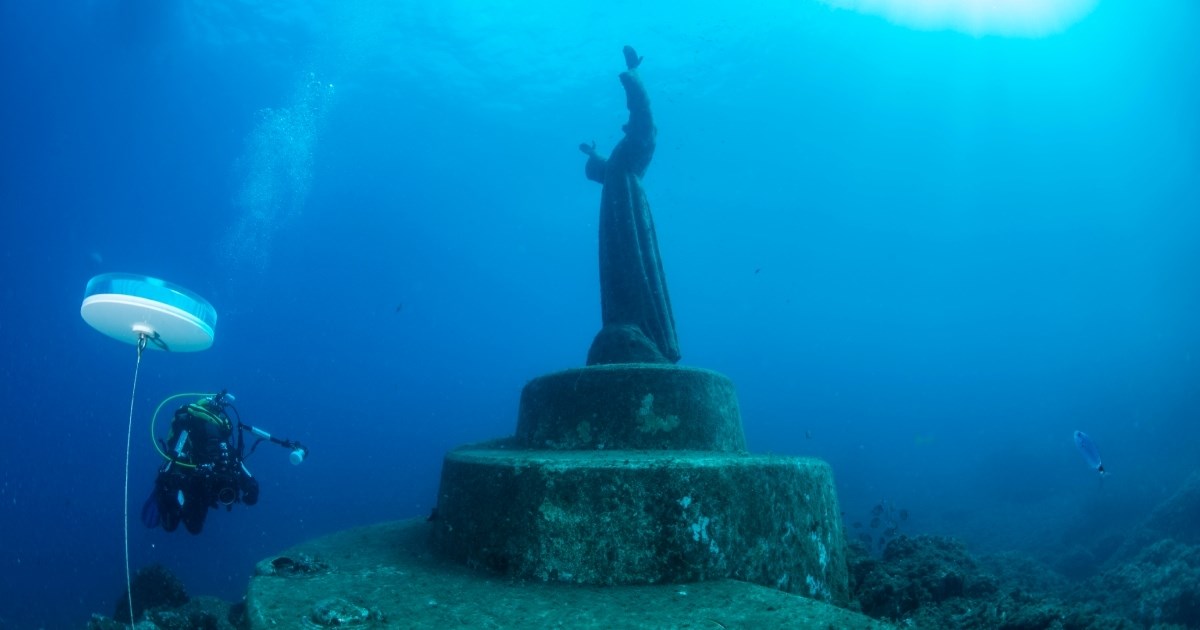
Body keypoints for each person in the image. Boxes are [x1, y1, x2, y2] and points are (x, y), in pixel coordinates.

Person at [579, 45, 681, 365]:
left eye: (629, 128)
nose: (626, 130)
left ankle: (646, 334)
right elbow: (603, 171)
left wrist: (633, 75)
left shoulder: (633, 157)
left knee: (634, 268)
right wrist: (593, 156)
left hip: (629, 217)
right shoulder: (619, 166)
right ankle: (626, 327)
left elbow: (644, 119)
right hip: (616, 218)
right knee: (619, 269)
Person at [147, 391, 259, 534]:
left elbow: (236, 463)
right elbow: (172, 462)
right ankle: (168, 503)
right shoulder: (188, 434)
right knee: (173, 524)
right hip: (188, 484)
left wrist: (250, 485)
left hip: (200, 490)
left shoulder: (222, 445)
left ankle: (174, 504)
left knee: (193, 528)